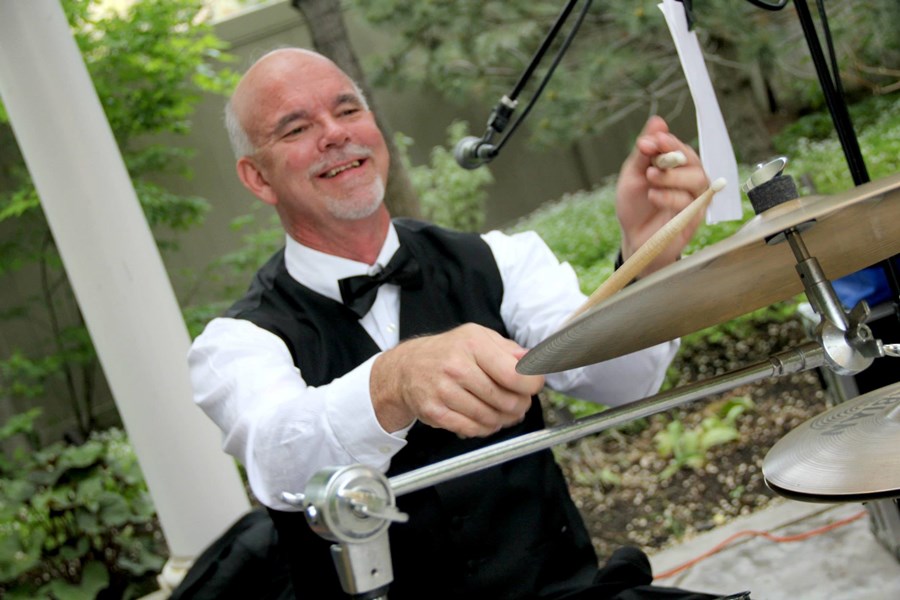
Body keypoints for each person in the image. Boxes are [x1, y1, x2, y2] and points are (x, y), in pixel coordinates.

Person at [188, 48, 728, 599]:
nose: (335, 133)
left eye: (348, 110)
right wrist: (395, 379)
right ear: (258, 177)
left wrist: (648, 259)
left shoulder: (500, 260)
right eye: (297, 128)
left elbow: (622, 382)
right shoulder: (236, 344)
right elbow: (281, 462)